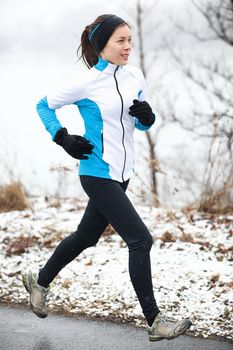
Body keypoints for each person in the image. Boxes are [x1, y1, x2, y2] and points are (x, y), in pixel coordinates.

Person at [22, 14, 192, 342]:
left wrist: (148, 118)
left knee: (86, 237)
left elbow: (138, 124)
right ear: (102, 46)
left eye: (130, 40)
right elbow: (44, 105)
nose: (128, 46)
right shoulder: (87, 82)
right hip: (97, 172)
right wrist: (63, 138)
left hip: (123, 173)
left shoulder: (135, 77)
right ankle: (155, 321)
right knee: (141, 239)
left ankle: (39, 282)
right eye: (121, 41)